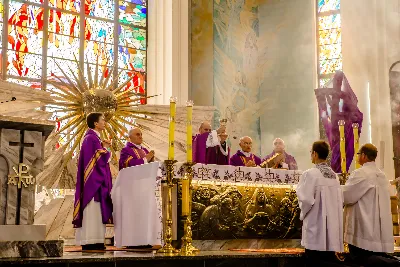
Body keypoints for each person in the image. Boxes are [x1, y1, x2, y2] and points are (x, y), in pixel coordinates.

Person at [342, 143, 400, 266]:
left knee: (362, 259)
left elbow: (347, 196)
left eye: (358, 154)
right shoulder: (382, 175)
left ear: (363, 155)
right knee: (376, 258)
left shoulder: (361, 173)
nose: (357, 157)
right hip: (378, 230)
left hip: (364, 228)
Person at [296, 141, 348, 267]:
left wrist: (302, 214)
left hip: (316, 229)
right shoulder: (334, 176)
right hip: (332, 230)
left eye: (311, 152)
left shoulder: (310, 174)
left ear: (314, 154)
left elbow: (306, 200)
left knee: (315, 261)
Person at [73, 112, 113, 251]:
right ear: (95, 123)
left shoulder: (92, 138)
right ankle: (92, 241)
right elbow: (100, 158)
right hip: (93, 184)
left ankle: (93, 240)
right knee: (93, 210)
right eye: (102, 120)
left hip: (93, 182)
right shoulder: (91, 138)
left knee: (95, 212)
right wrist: (106, 148)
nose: (104, 122)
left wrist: (103, 146)